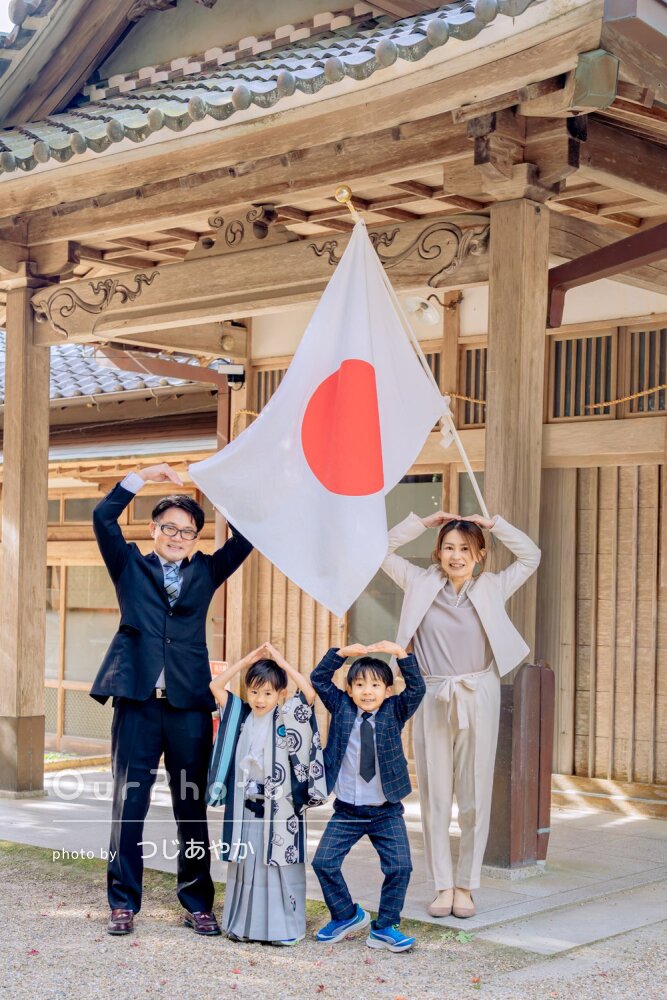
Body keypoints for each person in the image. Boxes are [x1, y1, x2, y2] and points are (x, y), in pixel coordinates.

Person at [90, 463, 253, 937]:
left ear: (195, 538)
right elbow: (103, 517)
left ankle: (198, 902)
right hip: (137, 702)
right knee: (129, 805)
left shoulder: (207, 571)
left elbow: (246, 538)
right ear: (153, 529)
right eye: (170, 528)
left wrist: (222, 487)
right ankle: (123, 902)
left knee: (191, 808)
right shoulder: (129, 565)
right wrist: (141, 477)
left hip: (188, 707)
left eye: (187, 531)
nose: (178, 537)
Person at [382, 510, 540, 919]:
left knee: (474, 794)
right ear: (438, 552)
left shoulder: (492, 586)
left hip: (477, 691)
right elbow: (378, 550)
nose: (456, 556)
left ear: (479, 555)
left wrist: (495, 524)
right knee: (435, 795)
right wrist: (422, 522)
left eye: (465, 549)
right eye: (449, 548)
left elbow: (531, 556)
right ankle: (442, 886)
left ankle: (466, 885)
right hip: (431, 692)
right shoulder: (418, 582)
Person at [208, 641, 327, 945]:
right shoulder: (240, 714)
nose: (259, 699)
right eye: (254, 691)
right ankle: (242, 927)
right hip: (247, 806)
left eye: (268, 693)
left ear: (280, 694)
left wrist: (283, 663)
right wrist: (245, 660)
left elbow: (309, 695)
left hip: (279, 809)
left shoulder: (287, 717)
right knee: (246, 865)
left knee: (276, 868)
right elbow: (215, 686)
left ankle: (282, 930)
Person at [310, 641, 425, 953]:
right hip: (347, 811)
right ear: (349, 690)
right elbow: (319, 679)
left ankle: (385, 927)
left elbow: (417, 688)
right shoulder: (341, 707)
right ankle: (345, 915)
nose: (367, 691)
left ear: (387, 690)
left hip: (386, 811)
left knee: (400, 867)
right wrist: (341, 655)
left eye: (375, 685)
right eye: (359, 685)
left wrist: (401, 655)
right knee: (323, 862)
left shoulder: (394, 710)